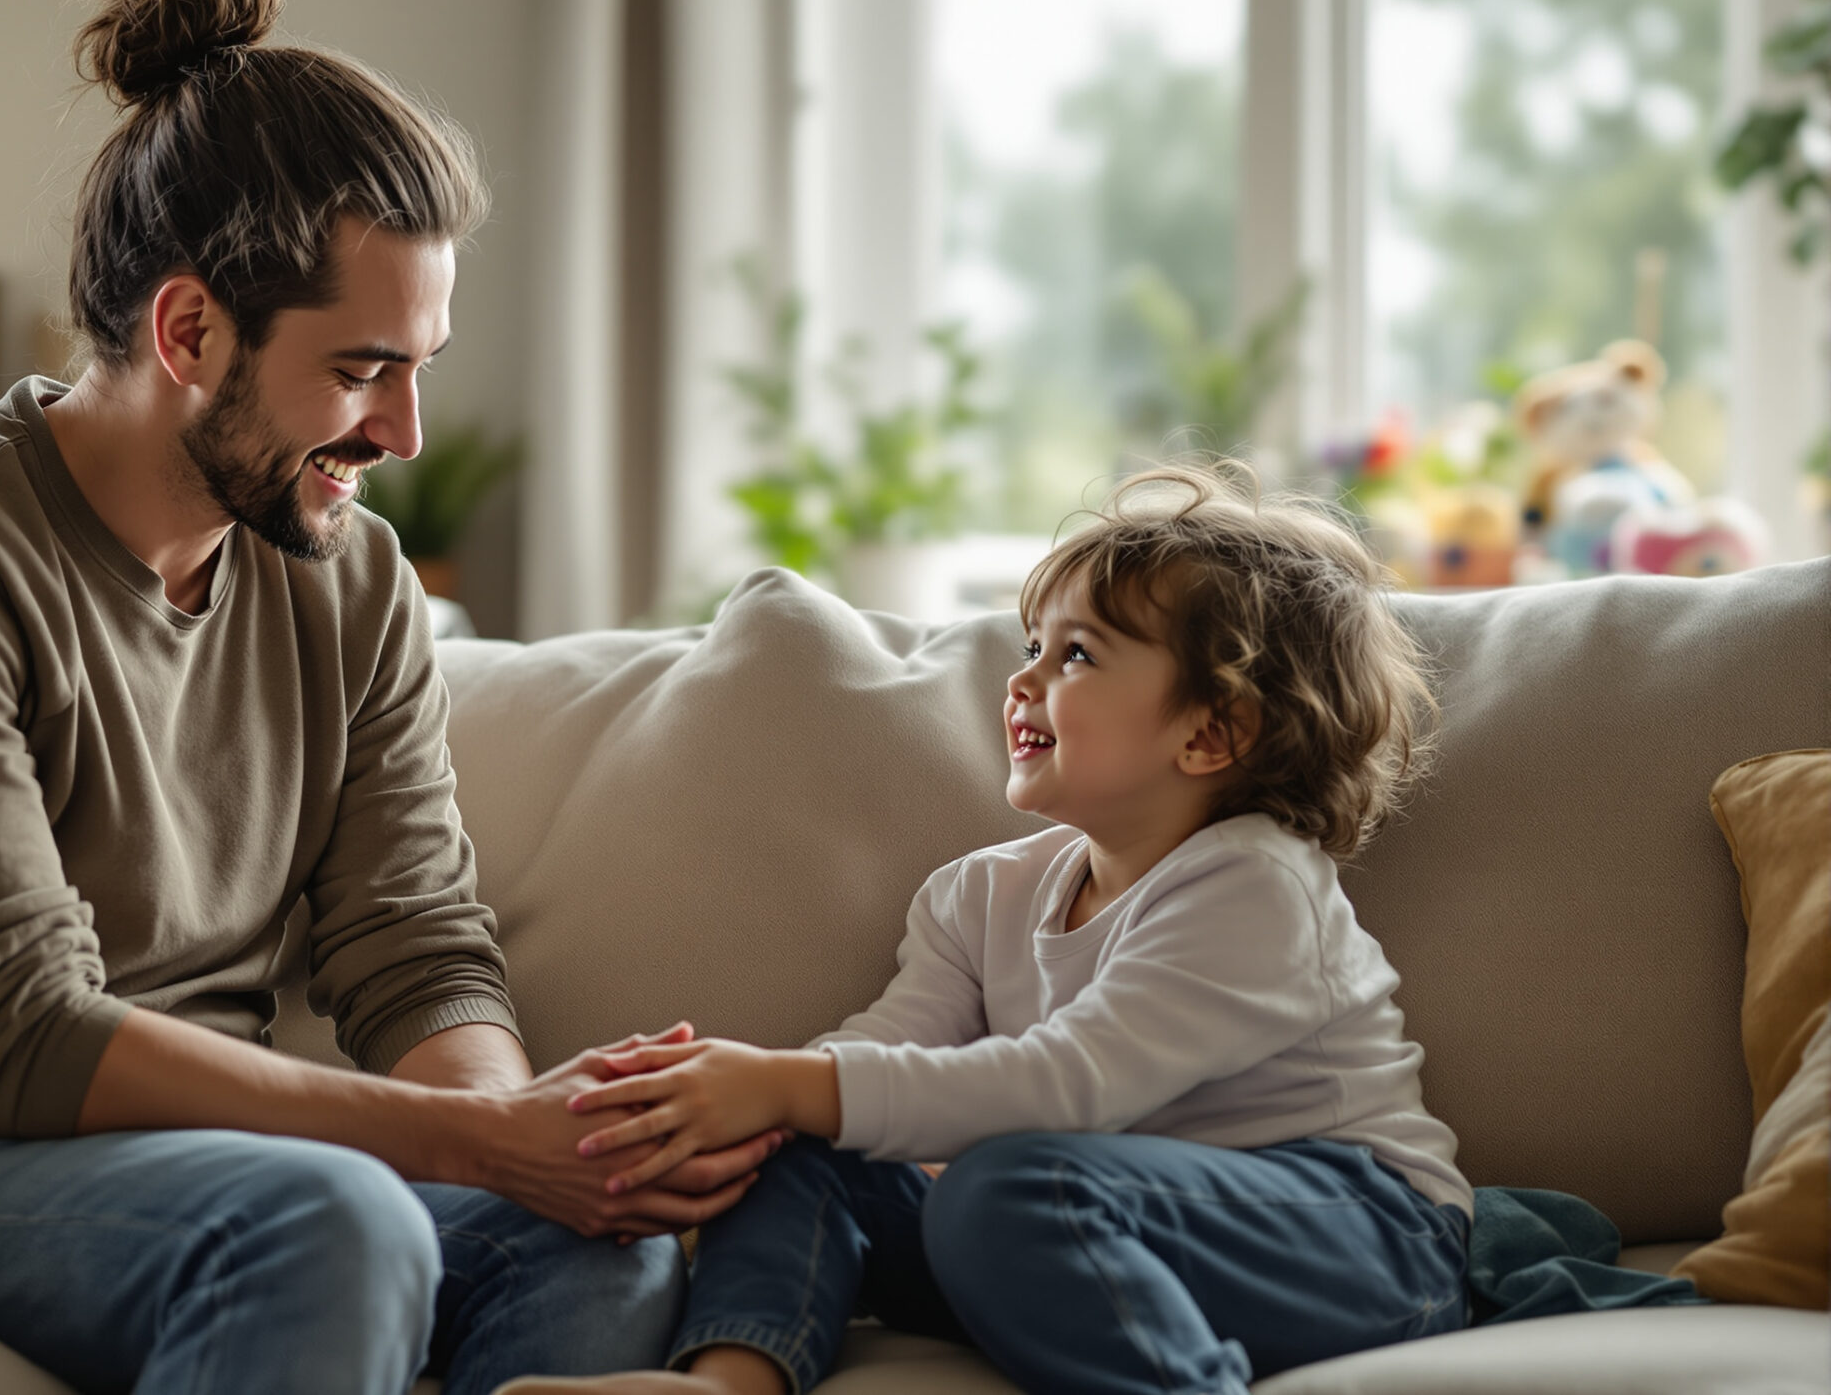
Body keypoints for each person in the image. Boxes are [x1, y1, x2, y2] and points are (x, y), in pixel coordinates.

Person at [0, 0, 774, 1392]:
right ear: (190, 331)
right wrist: (463, 1144)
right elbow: (12, 1038)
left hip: (220, 1161)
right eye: (361, 370)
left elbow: (412, 940)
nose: (402, 427)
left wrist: (529, 1142)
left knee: (600, 1238)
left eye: (422, 367)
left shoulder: (354, 576)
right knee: (327, 1225)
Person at [499, 463, 1473, 1395]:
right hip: (1085, 1220)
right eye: (1030, 647)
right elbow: (883, 1050)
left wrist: (783, 1081)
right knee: (805, 1141)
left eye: (1077, 654)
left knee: (1006, 1182)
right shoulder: (979, 893)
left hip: (1358, 1236)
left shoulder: (1253, 884)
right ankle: (730, 1379)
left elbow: (1068, 1084)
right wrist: (749, 1097)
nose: (1024, 680)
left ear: (1210, 732)